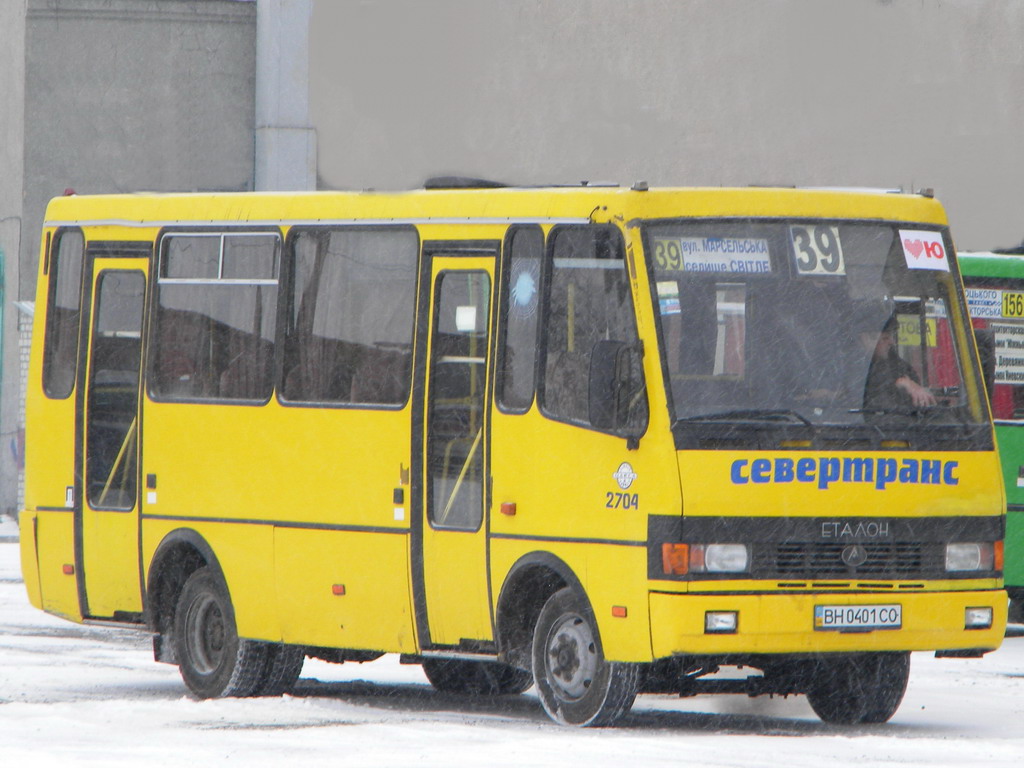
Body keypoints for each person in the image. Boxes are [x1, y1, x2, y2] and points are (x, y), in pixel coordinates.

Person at [861, 314, 937, 408]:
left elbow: (916, 399)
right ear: (866, 340)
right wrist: (898, 383)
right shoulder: (850, 367)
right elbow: (861, 392)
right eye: (885, 338)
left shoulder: (899, 365)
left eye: (892, 337)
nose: (892, 342)